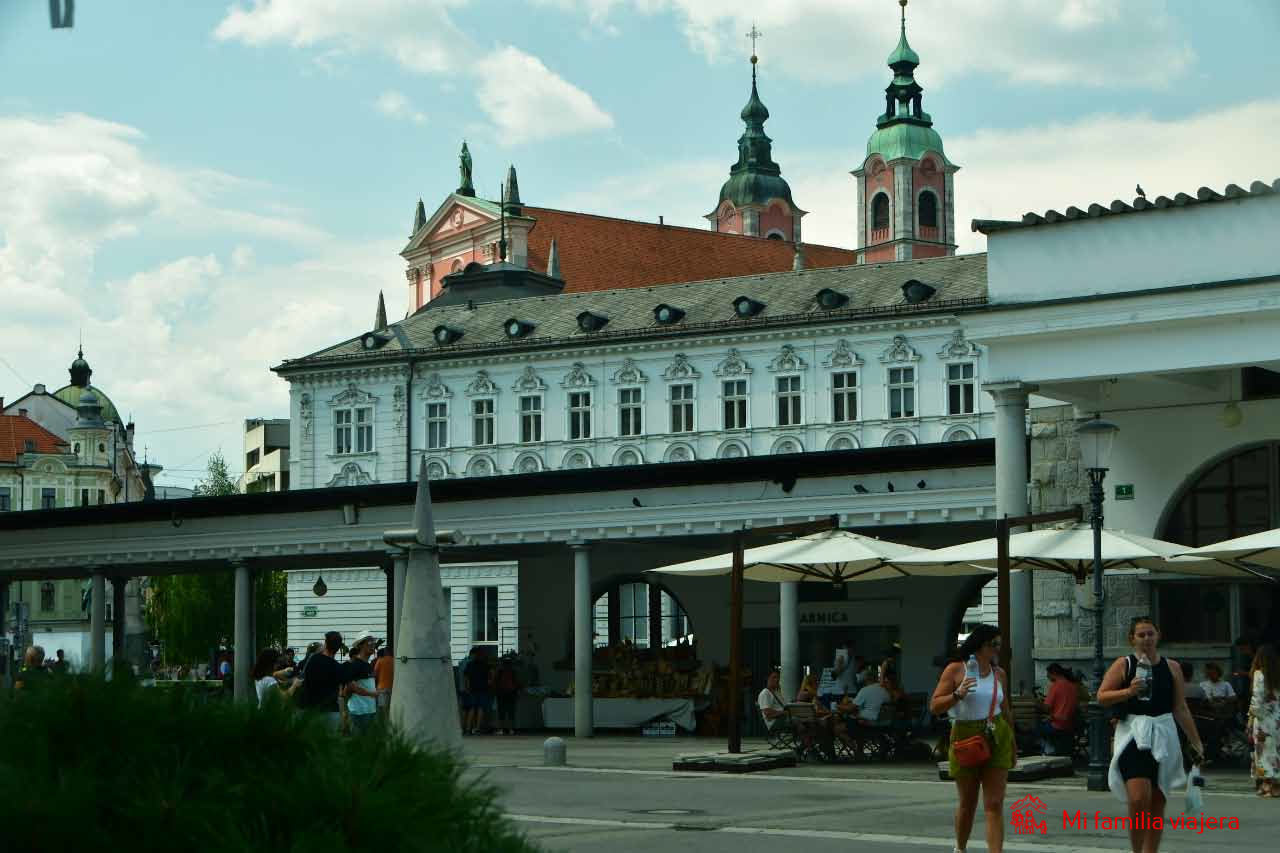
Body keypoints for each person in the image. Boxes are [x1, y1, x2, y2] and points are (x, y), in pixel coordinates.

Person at [1097, 616, 1204, 853]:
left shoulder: (1172, 667)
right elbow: (1102, 696)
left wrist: (1196, 741)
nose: (1146, 638)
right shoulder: (1124, 664)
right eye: (1141, 635)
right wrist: (1129, 691)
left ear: (1158, 636)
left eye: (1150, 634)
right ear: (1132, 639)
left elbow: (1180, 707)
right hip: (1133, 735)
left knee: (1157, 800)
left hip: (1163, 734)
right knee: (1138, 798)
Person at [930, 624, 1015, 853]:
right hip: (965, 735)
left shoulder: (999, 674)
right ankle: (960, 847)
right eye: (994, 644)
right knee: (968, 802)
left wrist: (1013, 744)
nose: (998, 649)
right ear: (980, 645)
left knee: (994, 803)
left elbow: (1006, 711)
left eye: (999, 644)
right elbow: (935, 706)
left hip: (997, 734)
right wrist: (958, 694)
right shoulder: (956, 669)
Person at [296, 631, 348, 732]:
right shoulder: (339, 668)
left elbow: (303, 679)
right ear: (338, 648)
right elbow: (340, 694)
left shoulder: (313, 660)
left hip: (311, 710)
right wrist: (343, 715)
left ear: (326, 643)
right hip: (331, 712)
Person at [1249, 643, 1280, 796]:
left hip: (1264, 720)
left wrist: (1251, 716)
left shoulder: (1259, 675)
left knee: (1263, 752)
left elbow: (1257, 699)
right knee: (1276, 750)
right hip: (1277, 719)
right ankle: (1274, 784)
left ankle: (1269, 784)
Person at [342, 631, 380, 735]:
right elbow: (349, 687)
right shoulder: (355, 665)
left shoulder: (367, 664)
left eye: (373, 642)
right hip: (358, 713)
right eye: (369, 642)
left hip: (369, 710)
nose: (373, 645)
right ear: (360, 645)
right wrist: (371, 693)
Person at [1038, 663, 1080, 753]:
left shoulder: (1056, 686)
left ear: (1054, 673)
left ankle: (1046, 751)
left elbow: (1046, 708)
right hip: (1070, 725)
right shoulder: (1073, 686)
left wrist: (1037, 703)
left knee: (1035, 729)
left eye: (1048, 675)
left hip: (1057, 726)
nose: (1047, 678)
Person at [462, 646, 493, 735]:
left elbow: (466, 677)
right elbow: (491, 674)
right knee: (480, 708)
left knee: (471, 708)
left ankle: (468, 728)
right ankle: (477, 728)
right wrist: (489, 682)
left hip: (472, 689)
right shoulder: (486, 664)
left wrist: (467, 687)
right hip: (483, 689)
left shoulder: (470, 664)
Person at [493, 653, 521, 735]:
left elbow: (495, 682)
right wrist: (518, 691)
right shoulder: (513, 671)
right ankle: (511, 729)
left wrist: (495, 691)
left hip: (501, 693)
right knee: (511, 711)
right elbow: (517, 682)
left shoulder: (499, 671)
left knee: (501, 712)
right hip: (511, 693)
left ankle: (501, 729)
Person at [373, 645, 395, 719]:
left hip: (382, 687)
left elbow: (374, 674)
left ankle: (385, 724)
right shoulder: (394, 660)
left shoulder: (380, 660)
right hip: (393, 687)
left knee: (383, 709)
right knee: (391, 708)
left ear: (386, 652)